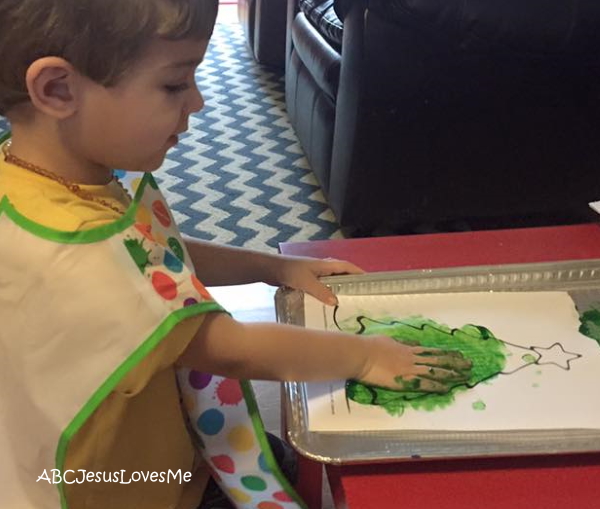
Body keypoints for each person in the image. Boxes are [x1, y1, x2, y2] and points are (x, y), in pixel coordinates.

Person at [0, 1, 472, 509]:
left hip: (138, 435)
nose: (198, 102)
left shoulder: (30, 173)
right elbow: (230, 348)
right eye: (175, 84)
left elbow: (155, 258)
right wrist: (364, 355)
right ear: (57, 90)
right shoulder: (80, 254)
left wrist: (273, 267)